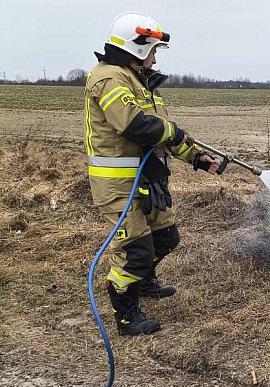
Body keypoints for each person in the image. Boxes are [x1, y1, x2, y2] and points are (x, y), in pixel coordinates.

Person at [84, 11, 220, 336]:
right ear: (138, 47)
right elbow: (136, 125)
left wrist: (198, 158)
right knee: (135, 251)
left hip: (148, 180)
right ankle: (127, 316)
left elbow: (164, 137)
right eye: (153, 51)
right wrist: (172, 132)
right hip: (118, 186)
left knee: (165, 238)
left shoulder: (141, 82)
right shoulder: (109, 78)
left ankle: (143, 282)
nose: (156, 59)